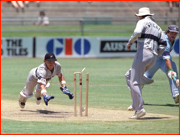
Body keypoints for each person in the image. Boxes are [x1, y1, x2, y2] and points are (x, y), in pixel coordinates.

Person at [125, 7, 167, 119]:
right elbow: (163, 44)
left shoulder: (142, 21)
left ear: (141, 15)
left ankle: (139, 109)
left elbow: (137, 32)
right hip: (153, 57)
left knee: (134, 81)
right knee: (129, 75)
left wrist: (130, 42)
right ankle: (137, 102)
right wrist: (156, 54)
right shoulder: (158, 27)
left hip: (143, 53)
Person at [127, 25, 179, 111]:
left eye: (175, 33)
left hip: (161, 60)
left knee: (172, 66)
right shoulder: (165, 41)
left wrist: (171, 71)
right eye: (172, 33)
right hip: (154, 60)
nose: (173, 35)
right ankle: (137, 100)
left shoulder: (171, 40)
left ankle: (176, 94)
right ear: (168, 32)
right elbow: (167, 59)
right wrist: (170, 70)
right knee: (142, 78)